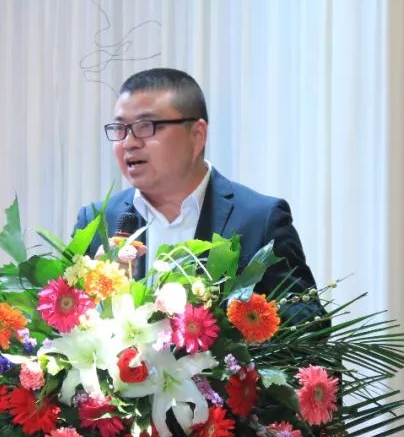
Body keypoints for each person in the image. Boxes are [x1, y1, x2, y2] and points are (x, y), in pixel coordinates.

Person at [73, 68, 323, 318]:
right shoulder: (96, 222)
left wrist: (236, 321)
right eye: (120, 128)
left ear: (196, 135)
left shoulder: (259, 219)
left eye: (145, 126)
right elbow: (59, 321)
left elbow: (309, 320)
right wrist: (96, 298)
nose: (128, 142)